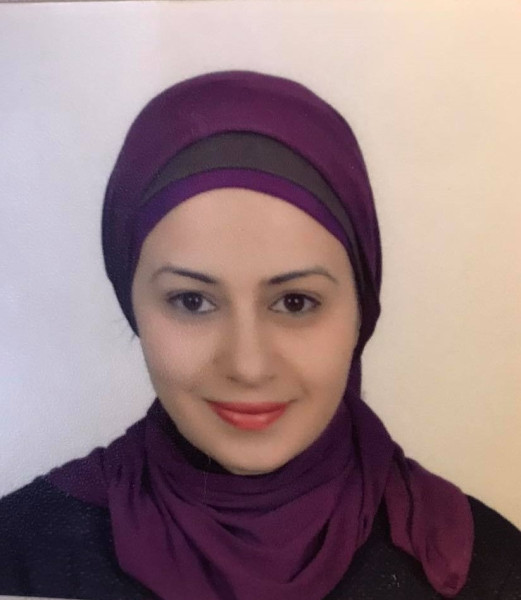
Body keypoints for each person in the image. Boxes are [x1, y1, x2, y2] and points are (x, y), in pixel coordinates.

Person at [0, 70, 519, 600]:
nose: (248, 366)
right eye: (192, 301)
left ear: (361, 313)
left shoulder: (486, 570)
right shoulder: (21, 554)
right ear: (132, 304)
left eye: (296, 302)